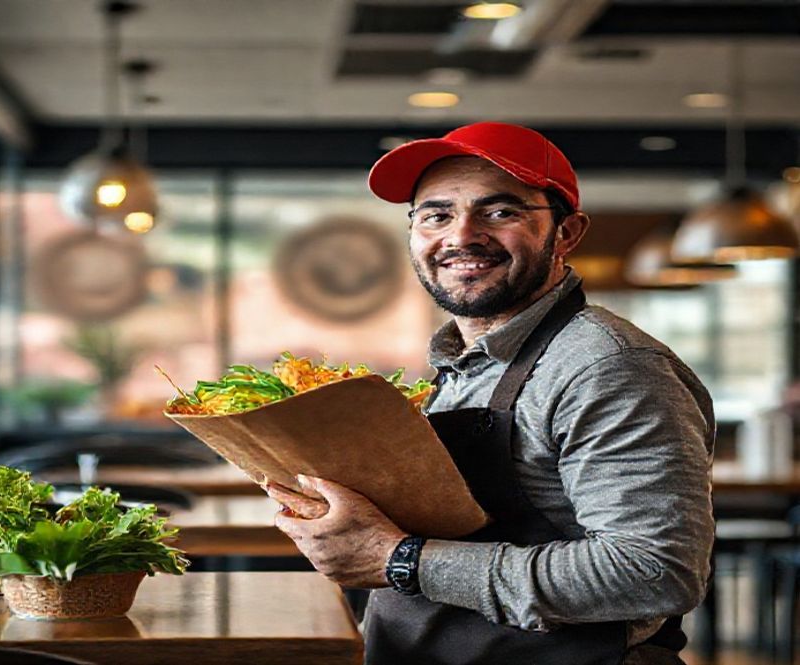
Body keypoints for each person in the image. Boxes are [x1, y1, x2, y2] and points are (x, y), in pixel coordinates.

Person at [267, 122, 715, 665]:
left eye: (500, 212)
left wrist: (403, 560)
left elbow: (653, 573)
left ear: (567, 232)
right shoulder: (459, 365)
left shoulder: (609, 367)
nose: (460, 236)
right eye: (436, 215)